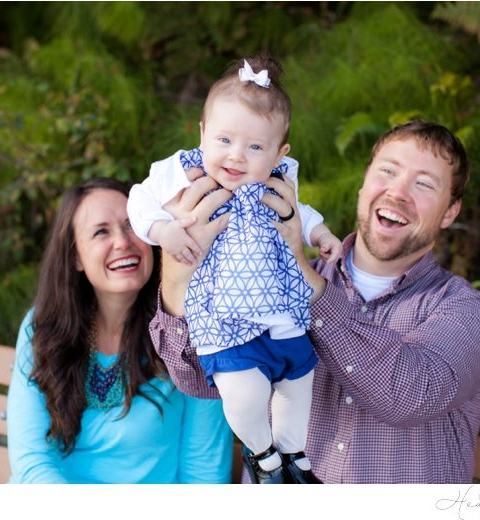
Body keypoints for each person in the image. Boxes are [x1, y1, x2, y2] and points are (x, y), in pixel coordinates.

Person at [150, 120, 480, 483]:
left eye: (423, 184)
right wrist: (179, 268)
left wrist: (299, 273)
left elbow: (411, 394)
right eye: (387, 172)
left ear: (450, 212)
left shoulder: (468, 310)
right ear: (364, 184)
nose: (398, 192)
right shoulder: (261, 283)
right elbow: (196, 379)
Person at [128, 57, 342, 484]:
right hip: (223, 317)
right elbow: (138, 199)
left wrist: (319, 234)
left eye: (255, 147)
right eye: (224, 139)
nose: (236, 156)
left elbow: (300, 211)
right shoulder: (183, 172)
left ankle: (293, 455)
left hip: (282, 315)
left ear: (280, 153)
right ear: (203, 132)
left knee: (299, 384)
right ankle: (262, 453)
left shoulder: (275, 182)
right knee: (243, 396)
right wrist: (162, 231)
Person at [6, 178, 233, 483]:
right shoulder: (43, 328)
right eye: (101, 232)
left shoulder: (191, 333)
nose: (123, 242)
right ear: (75, 256)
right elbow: (31, 459)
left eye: (132, 225)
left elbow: (203, 471)